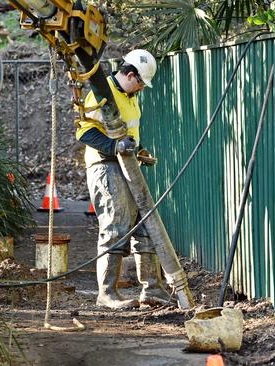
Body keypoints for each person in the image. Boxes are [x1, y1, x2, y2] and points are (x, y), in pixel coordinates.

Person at [75, 49, 173, 309]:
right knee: (116, 227)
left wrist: (138, 150)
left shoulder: (130, 96)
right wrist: (114, 147)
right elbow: (84, 133)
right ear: (131, 75)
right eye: (140, 82)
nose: (141, 88)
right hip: (106, 166)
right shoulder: (103, 92)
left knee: (145, 226)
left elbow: (128, 133)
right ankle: (106, 293)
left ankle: (153, 290)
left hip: (127, 165)